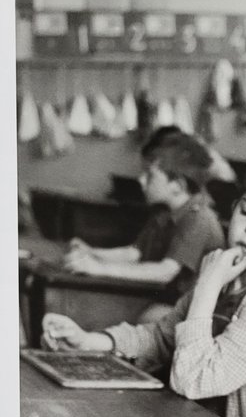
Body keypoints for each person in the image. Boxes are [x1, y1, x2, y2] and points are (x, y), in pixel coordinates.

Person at [41, 152, 246, 417]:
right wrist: (91, 342)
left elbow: (195, 380)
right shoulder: (228, 270)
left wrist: (206, 287)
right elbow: (162, 337)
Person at [63, 131, 225, 320]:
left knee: (142, 318)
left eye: (150, 175)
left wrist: (99, 268)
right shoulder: (163, 212)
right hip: (170, 301)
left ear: (177, 186)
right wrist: (91, 253)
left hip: (196, 314)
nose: (140, 180)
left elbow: (165, 271)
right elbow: (134, 253)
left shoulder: (199, 218)